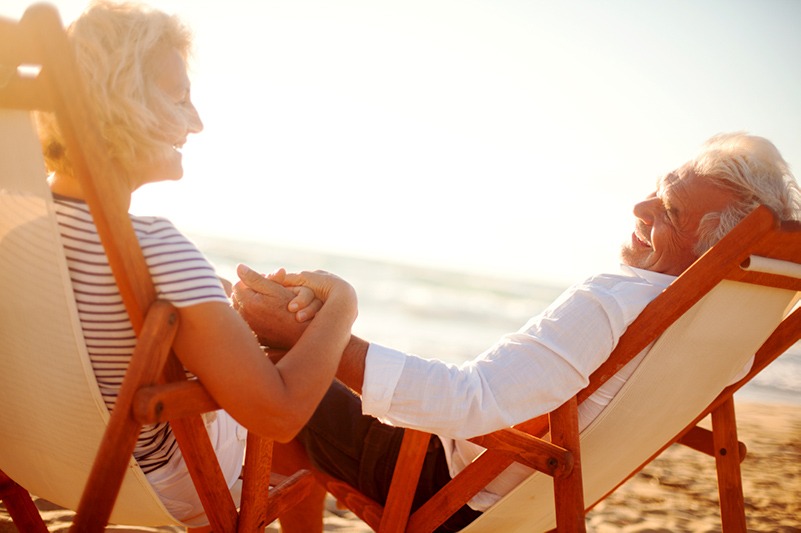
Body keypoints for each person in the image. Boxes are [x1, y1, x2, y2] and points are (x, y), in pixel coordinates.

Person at [232, 131, 801, 532]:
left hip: (439, 488)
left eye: (670, 209)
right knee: (301, 355)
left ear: (711, 250)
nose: (640, 203)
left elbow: (467, 400)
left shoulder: (617, 299)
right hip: (539, 502)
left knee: (282, 374)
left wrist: (319, 337)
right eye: (657, 186)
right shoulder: (725, 329)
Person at [37, 0, 355, 523]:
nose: (198, 122)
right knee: (311, 408)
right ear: (122, 102)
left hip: (43, 458)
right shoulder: (154, 249)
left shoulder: (18, 229)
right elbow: (278, 414)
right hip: (151, 479)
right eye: (181, 97)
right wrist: (342, 303)